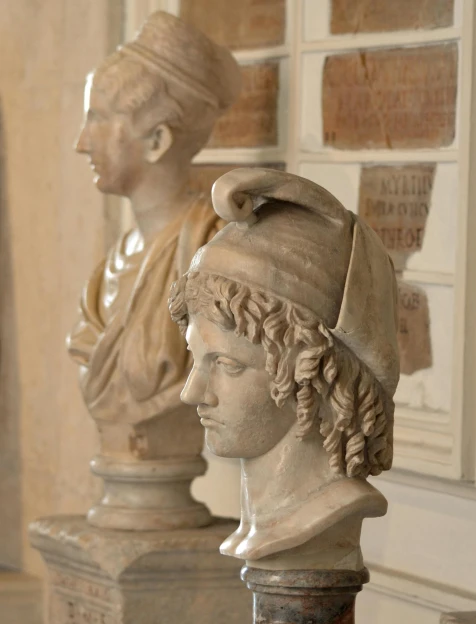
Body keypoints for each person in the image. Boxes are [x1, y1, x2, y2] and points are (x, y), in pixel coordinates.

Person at [169, 168, 399, 565]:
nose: (191, 393)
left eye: (227, 364)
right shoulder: (265, 521)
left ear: (312, 372)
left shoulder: (325, 517)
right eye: (196, 359)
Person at [66, 12, 241, 529]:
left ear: (157, 139)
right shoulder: (108, 269)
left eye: (97, 118)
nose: (81, 142)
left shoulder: (210, 257)